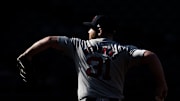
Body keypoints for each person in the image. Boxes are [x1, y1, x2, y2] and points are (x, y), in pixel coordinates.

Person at [17, 15, 168, 101]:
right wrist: (161, 84)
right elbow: (150, 55)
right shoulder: (123, 50)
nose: (88, 31)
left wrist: (26, 55)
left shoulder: (79, 45)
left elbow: (50, 40)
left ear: (99, 29)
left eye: (91, 27)